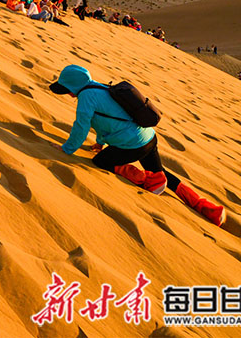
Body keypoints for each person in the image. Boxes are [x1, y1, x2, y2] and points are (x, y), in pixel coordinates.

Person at [48, 64, 226, 226]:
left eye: (67, 89)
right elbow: (108, 119)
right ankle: (207, 208)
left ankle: (145, 179)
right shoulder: (100, 87)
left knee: (101, 161)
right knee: (161, 173)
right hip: (148, 138)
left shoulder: (86, 96)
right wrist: (100, 142)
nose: (68, 94)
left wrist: (67, 149)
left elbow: (82, 126)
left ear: (73, 86)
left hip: (132, 144)